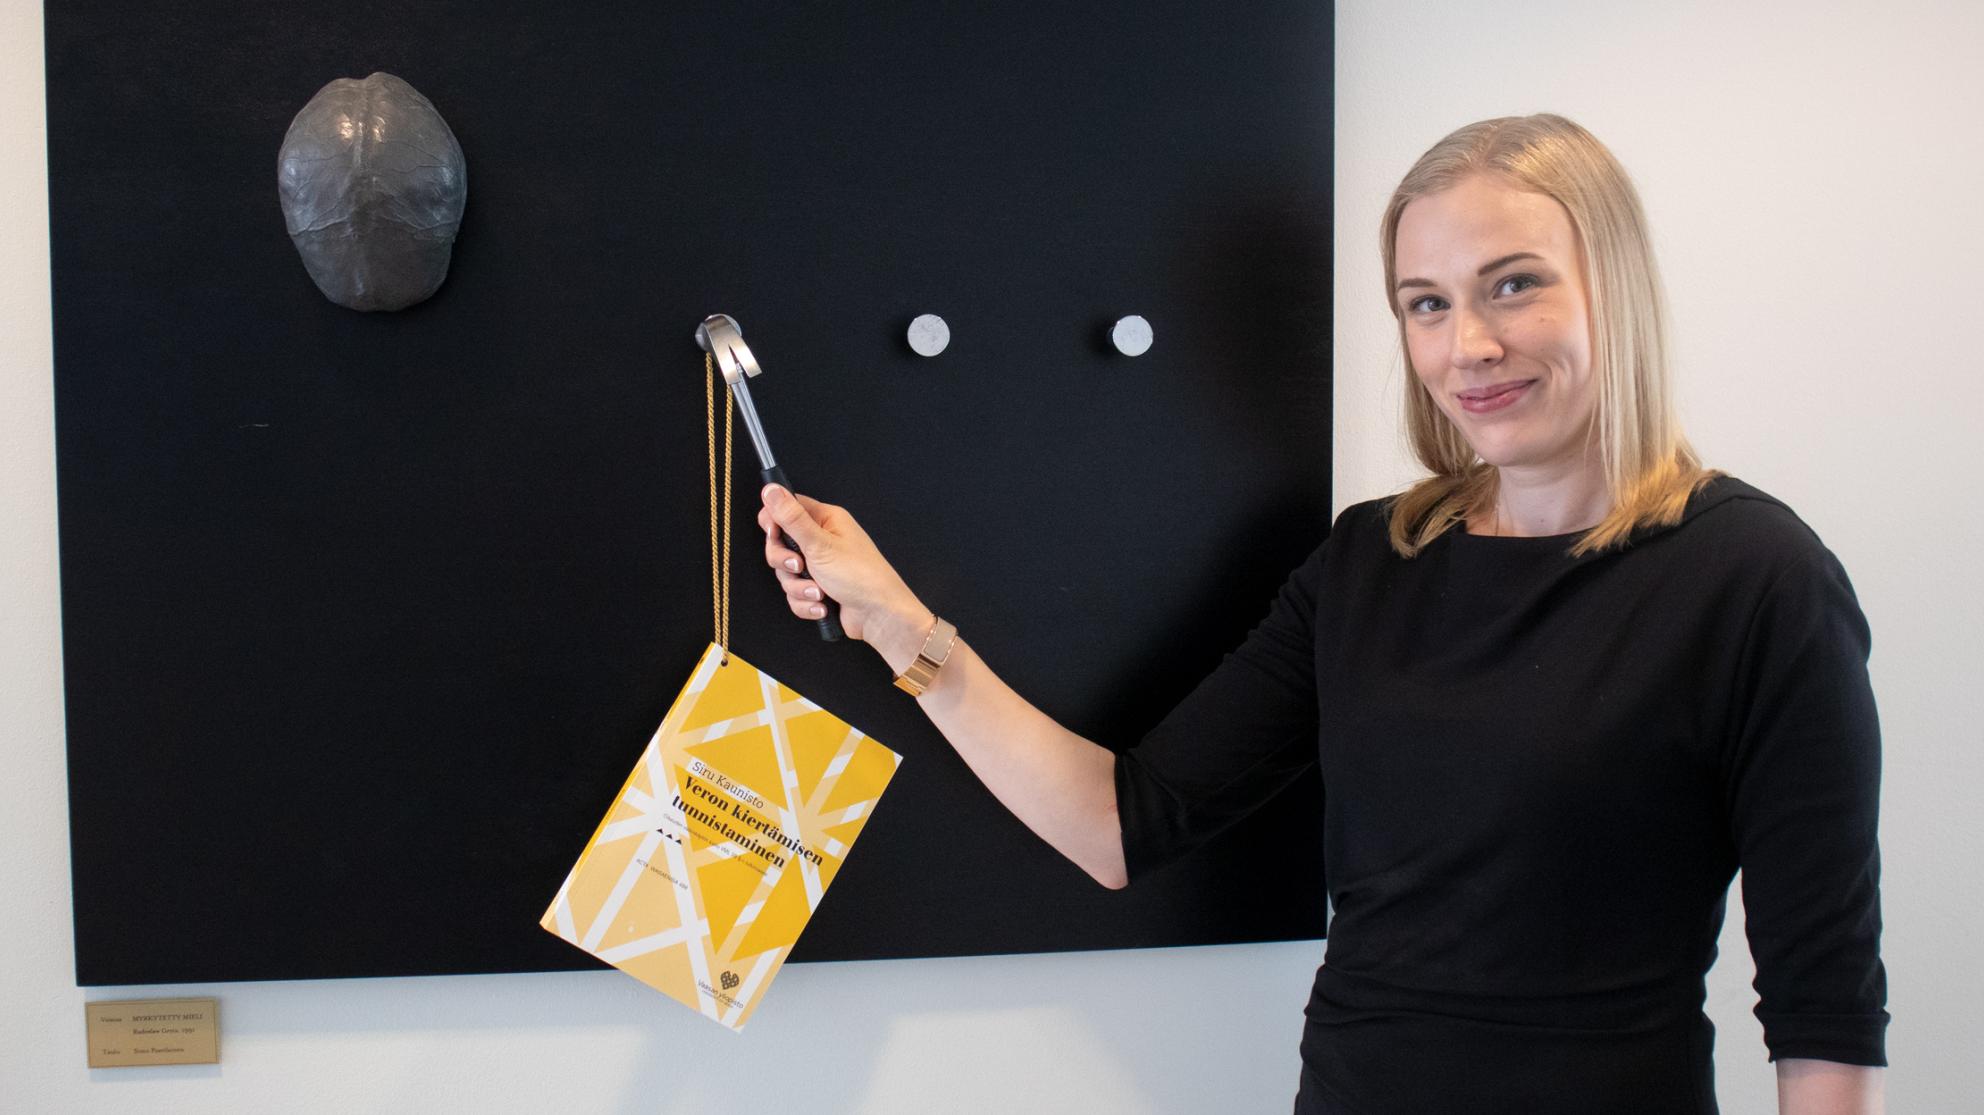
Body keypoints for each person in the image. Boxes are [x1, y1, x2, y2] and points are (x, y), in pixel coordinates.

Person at [753, 114, 1888, 1114]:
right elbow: (1122, 823)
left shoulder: (1756, 577)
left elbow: (1821, 1003)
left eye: (1513, 283)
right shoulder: (1372, 560)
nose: (1467, 346)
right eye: (1425, 304)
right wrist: (897, 619)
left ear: (1615, 284)